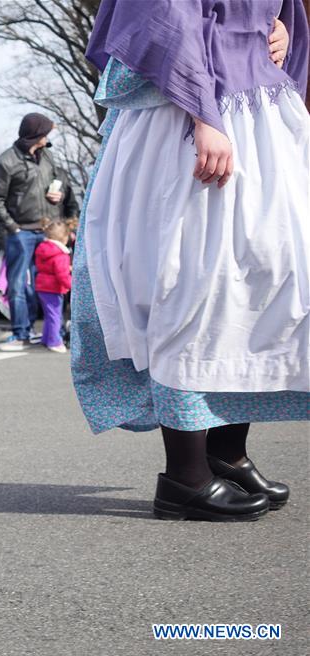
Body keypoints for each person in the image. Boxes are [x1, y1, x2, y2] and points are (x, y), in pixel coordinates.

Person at [72, 0, 308, 521]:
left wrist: (283, 33)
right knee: (195, 280)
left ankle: (226, 452)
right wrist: (203, 110)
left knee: (264, 277)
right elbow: (163, 13)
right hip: (191, 110)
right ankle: (185, 474)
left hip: (258, 103)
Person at [0, 113, 79, 351]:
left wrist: (57, 195)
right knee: (18, 284)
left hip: (48, 232)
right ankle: (21, 333)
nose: (48, 137)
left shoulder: (46, 155)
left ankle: (53, 333)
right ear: (35, 135)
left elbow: (60, 182)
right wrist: (13, 228)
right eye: (45, 132)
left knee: (50, 284)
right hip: (22, 232)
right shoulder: (5, 162)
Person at [34, 220, 72, 354]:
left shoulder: (43, 249)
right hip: (53, 288)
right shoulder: (61, 255)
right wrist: (71, 285)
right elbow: (62, 275)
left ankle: (46, 338)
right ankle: (54, 342)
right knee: (55, 316)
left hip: (42, 285)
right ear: (64, 237)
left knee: (49, 315)